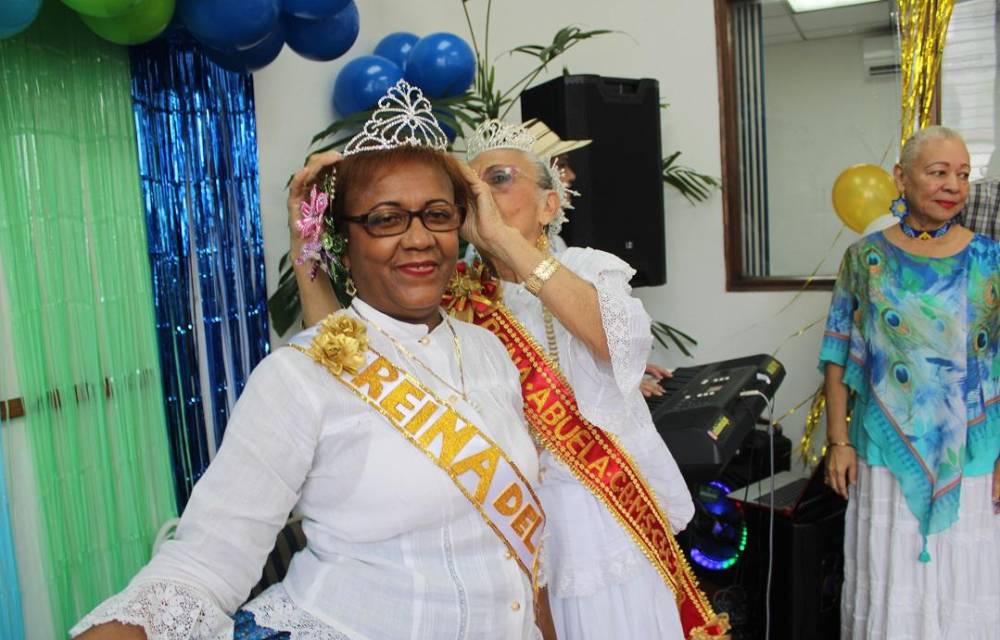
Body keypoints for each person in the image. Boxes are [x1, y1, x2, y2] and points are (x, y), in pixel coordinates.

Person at [71, 81, 550, 640]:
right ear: (343, 243)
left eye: (436, 214)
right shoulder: (298, 377)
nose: (418, 238)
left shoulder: (490, 351)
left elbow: (522, 557)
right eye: (385, 219)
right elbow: (205, 561)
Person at [294, 119, 726, 640]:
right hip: (500, 526)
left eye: (498, 179)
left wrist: (500, 239)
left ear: (550, 203)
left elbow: (616, 342)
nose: (483, 196)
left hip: (596, 521)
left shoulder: (590, 269)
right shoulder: (446, 290)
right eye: (470, 186)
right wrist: (307, 244)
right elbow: (342, 356)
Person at [820, 125, 1000, 639]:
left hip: (972, 456)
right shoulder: (866, 259)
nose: (953, 185)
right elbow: (837, 352)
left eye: (962, 174)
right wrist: (838, 442)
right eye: (938, 172)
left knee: (963, 587)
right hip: (884, 451)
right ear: (901, 178)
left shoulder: (990, 259)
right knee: (894, 579)